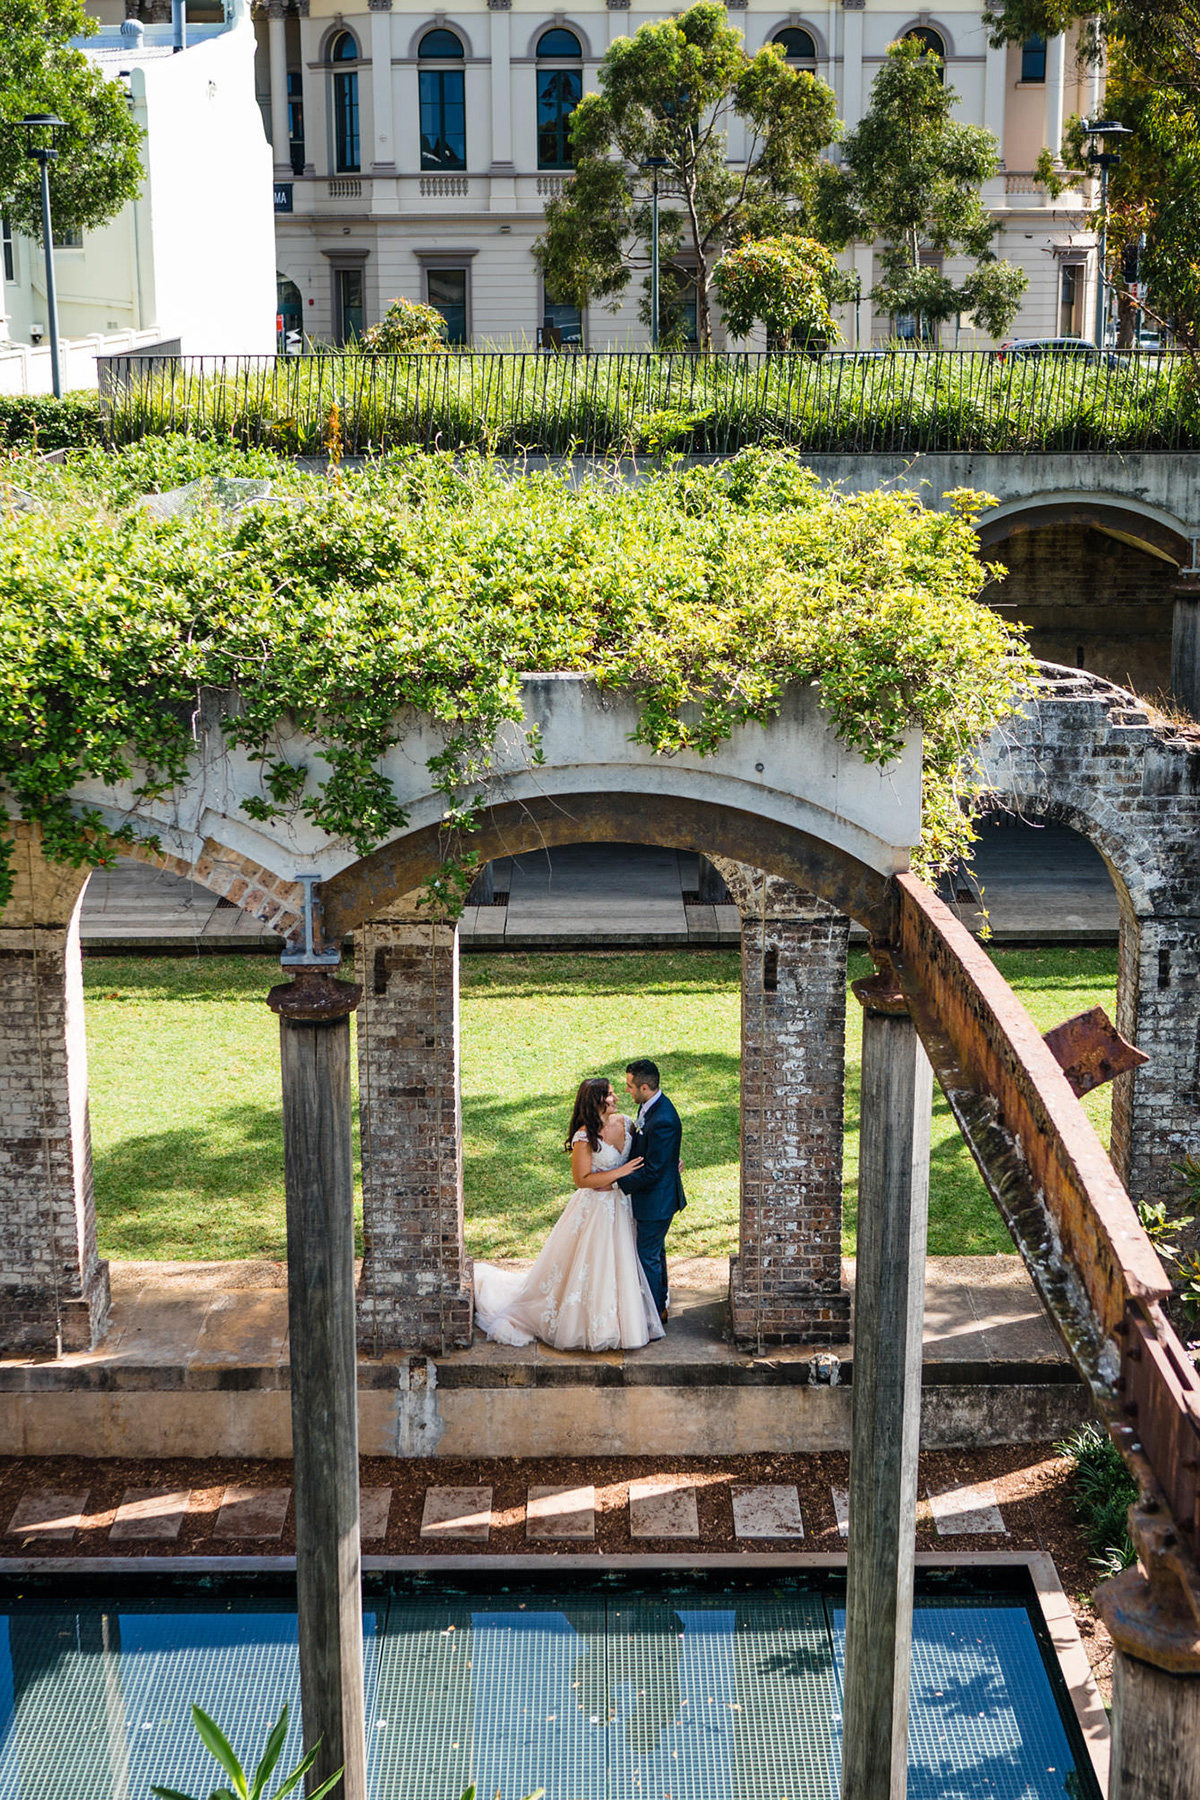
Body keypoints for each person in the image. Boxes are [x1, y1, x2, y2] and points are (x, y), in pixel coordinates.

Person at [472, 1077, 666, 1351]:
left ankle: (625, 1320)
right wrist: (620, 1173)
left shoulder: (626, 1122)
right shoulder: (584, 1137)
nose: (616, 1099)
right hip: (596, 1211)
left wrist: (668, 1162)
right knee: (594, 1268)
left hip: (623, 1207)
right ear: (596, 1101)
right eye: (610, 1095)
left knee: (622, 1265)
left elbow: (646, 1153)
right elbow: (582, 1179)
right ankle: (590, 1325)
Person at [621, 1058, 687, 1323]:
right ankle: (658, 1306)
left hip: (657, 1201)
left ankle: (652, 1315)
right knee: (654, 1253)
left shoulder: (663, 1119)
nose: (627, 1091)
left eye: (630, 1086)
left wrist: (617, 1182)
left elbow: (653, 1171)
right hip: (654, 1197)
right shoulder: (650, 1107)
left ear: (645, 1088)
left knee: (647, 1256)